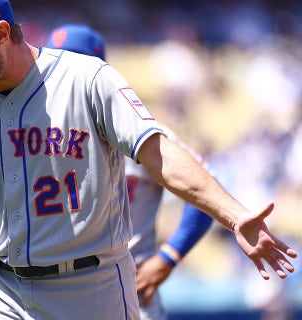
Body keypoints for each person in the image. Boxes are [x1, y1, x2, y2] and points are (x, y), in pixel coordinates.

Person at [0, 1, 297, 319]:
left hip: (92, 290)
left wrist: (234, 217)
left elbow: (159, 153)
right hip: (4, 292)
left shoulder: (87, 79)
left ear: (1, 33)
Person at [46, 23, 214, 320]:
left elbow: (205, 186)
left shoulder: (138, 130)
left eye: (74, 63)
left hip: (130, 294)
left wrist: (169, 256)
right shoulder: (34, 140)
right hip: (59, 299)